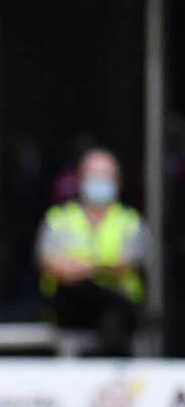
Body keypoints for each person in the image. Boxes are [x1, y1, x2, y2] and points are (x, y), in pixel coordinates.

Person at [38, 146, 147, 357]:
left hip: (118, 307)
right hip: (70, 306)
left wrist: (81, 266)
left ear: (117, 182)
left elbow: (127, 263)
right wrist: (101, 267)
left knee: (112, 315)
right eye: (93, 175)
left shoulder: (130, 222)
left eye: (105, 175)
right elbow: (50, 263)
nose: (99, 181)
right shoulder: (59, 218)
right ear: (80, 180)